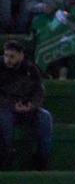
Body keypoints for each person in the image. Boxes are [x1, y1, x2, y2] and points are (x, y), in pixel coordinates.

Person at [0, 41, 52, 171]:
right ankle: (7, 152)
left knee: (45, 117)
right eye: (6, 56)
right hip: (6, 107)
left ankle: (42, 157)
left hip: (27, 108)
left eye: (12, 56)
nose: (8, 60)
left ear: (21, 56)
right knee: (4, 117)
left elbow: (39, 91)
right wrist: (11, 105)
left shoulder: (31, 69)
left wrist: (31, 105)